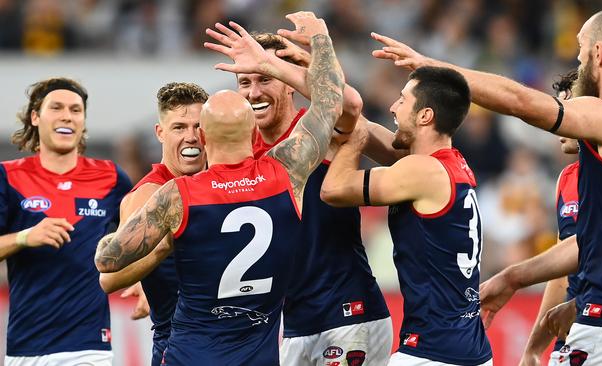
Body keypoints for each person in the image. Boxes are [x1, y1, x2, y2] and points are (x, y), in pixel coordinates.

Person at [371, 8, 602, 364]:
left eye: (580, 51)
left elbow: (522, 102)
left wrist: (438, 72)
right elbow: (596, 241)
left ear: (598, 54)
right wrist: (516, 278)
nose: (577, 64)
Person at [95, 11, 345, 365]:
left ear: (204, 136)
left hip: (188, 353)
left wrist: (162, 241)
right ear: (252, 132)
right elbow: (330, 103)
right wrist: (320, 38)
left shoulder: (177, 195)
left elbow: (107, 260)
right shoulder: (285, 171)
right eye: (179, 126)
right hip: (258, 352)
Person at [204, 20, 392, 365]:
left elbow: (348, 104)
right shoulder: (242, 154)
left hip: (348, 314)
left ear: (290, 84)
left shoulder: (319, 132)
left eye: (265, 79)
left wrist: (305, 51)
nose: (253, 92)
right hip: (292, 326)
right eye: (244, 82)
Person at [321, 66, 493, 365]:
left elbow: (333, 189)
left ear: (425, 115)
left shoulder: (421, 171)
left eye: (402, 100)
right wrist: (310, 71)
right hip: (466, 347)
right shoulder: (448, 163)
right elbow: (356, 117)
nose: (392, 107)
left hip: (433, 351)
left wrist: (353, 143)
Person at [0, 77, 131, 365]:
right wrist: (25, 237)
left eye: (75, 110)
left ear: (83, 121)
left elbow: (144, 236)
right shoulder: (8, 177)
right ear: (35, 116)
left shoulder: (111, 178)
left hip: (88, 345)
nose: (67, 116)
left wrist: (146, 285)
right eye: (56, 107)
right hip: (25, 346)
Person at [97, 82, 209, 366]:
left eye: (198, 126)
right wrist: (159, 251)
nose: (191, 136)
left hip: (230, 342)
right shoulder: (147, 197)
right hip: (179, 348)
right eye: (179, 127)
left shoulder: (216, 184)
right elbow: (109, 279)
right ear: (160, 133)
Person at [520, 71, 580, 366]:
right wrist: (533, 350)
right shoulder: (567, 179)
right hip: (574, 337)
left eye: (565, 113)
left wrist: (580, 306)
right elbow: (561, 274)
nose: (558, 128)